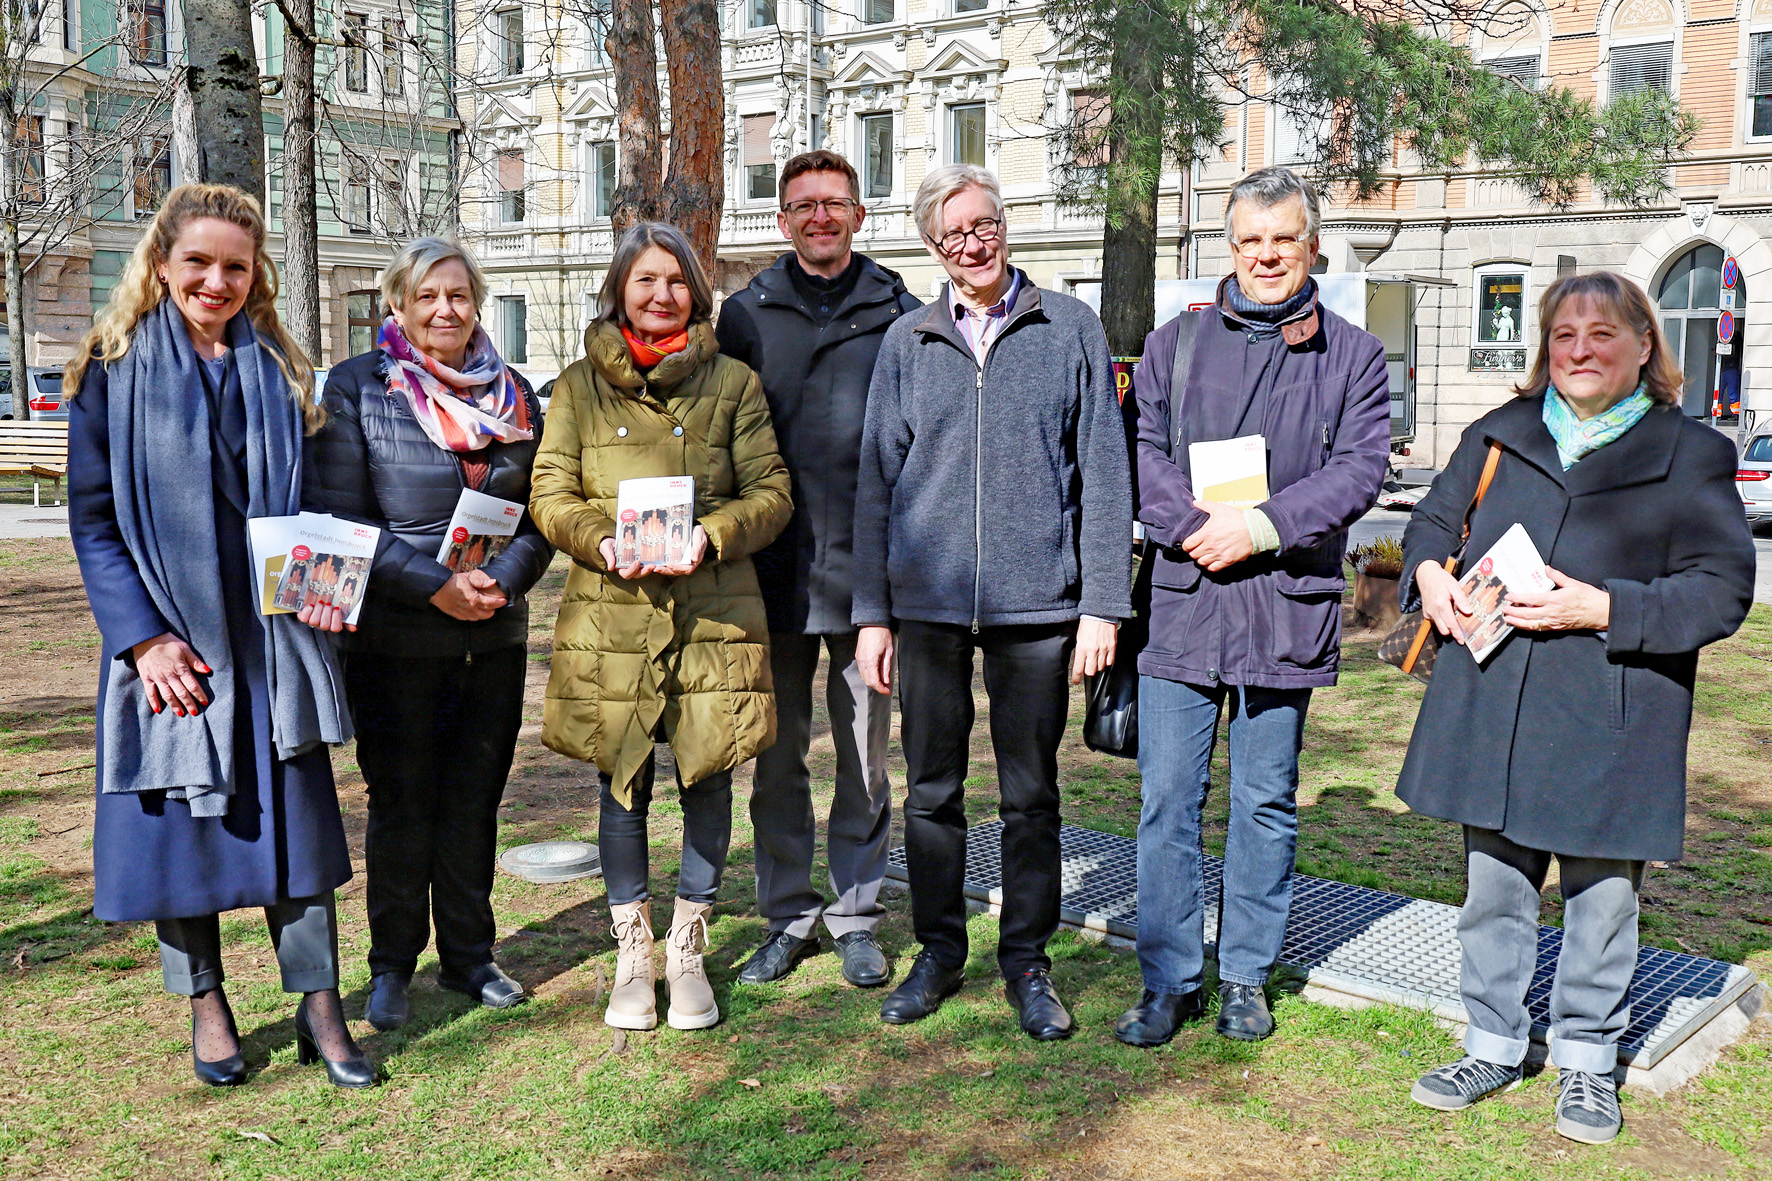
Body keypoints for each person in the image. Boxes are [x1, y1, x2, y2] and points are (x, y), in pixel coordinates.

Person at [1397, 272, 1753, 1144]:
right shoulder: (1500, 433)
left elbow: (1722, 590)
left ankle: (1589, 1062)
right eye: (1564, 335)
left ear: (1643, 348)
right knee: (1493, 886)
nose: (1581, 351)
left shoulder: (1691, 452)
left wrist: (1602, 607)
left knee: (1600, 900)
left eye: (1601, 334)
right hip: (1495, 700)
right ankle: (1492, 1041)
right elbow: (1429, 528)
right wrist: (1433, 578)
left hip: (1612, 706)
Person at [67, 183, 373, 1089]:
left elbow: (312, 499)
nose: (216, 280)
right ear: (162, 263)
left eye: (235, 265)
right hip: (174, 640)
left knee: (299, 833)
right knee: (178, 829)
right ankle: (206, 1003)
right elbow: (93, 524)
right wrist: (143, 641)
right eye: (198, 261)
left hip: (274, 636)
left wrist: (325, 577)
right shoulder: (110, 366)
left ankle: (321, 1007)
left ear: (256, 273)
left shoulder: (278, 362)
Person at [851, 163, 1132, 1040]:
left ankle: (1027, 961)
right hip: (927, 609)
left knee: (1030, 794)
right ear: (932, 247)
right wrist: (872, 612)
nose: (972, 244)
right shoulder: (908, 342)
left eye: (983, 225)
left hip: (1039, 608)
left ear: (1003, 224)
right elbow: (875, 484)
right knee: (931, 792)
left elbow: (1105, 476)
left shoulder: (1069, 328)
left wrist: (1102, 604)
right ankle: (939, 949)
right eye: (952, 234)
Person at [1119, 166, 1390, 1049]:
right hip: (1184, 603)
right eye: (1250, 240)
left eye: (1283, 240)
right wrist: (1201, 527)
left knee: (1266, 801)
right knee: (1167, 801)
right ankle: (1168, 977)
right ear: (1227, 247)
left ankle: (1243, 976)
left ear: (1311, 245)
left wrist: (1264, 527)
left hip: (1285, 603)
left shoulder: (1353, 352)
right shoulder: (1175, 343)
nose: (1266, 255)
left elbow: (1358, 471)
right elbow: (1142, 449)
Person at [531, 222, 792, 1032]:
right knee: (624, 778)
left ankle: (688, 946)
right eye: (644, 280)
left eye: (674, 281)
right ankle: (632, 952)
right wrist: (600, 539)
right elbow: (549, 492)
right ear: (620, 290)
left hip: (713, 610)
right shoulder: (578, 386)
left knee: (708, 774)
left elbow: (772, 490)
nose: (659, 295)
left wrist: (710, 536)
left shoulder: (735, 383)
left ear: (696, 291)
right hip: (614, 609)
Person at [303, 237, 552, 1031]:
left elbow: (543, 511)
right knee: (403, 803)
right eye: (427, 296)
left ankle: (472, 957)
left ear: (476, 302)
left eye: (458, 295)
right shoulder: (357, 389)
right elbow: (345, 522)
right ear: (397, 305)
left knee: (475, 801)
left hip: (493, 634)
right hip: (396, 638)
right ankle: (392, 965)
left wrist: (500, 582)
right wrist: (437, 586)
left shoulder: (513, 395)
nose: (445, 310)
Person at [715, 149, 922, 989]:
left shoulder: (899, 312)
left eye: (834, 203)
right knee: (777, 757)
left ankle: (857, 914)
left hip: (871, 581)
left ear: (859, 215)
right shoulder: (746, 316)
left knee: (867, 756)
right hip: (770, 578)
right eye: (802, 205)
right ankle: (787, 914)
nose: (819, 217)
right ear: (783, 220)